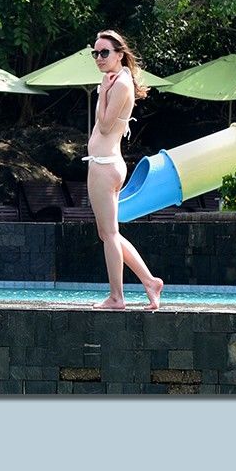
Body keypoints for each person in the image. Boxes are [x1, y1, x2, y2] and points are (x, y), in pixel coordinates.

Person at [84, 30, 164, 310]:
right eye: (95, 53)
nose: (99, 58)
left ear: (119, 54)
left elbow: (105, 126)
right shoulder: (116, 79)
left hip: (105, 166)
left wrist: (104, 92)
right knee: (109, 233)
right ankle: (150, 282)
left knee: (108, 235)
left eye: (104, 52)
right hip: (106, 163)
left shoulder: (118, 84)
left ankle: (117, 297)